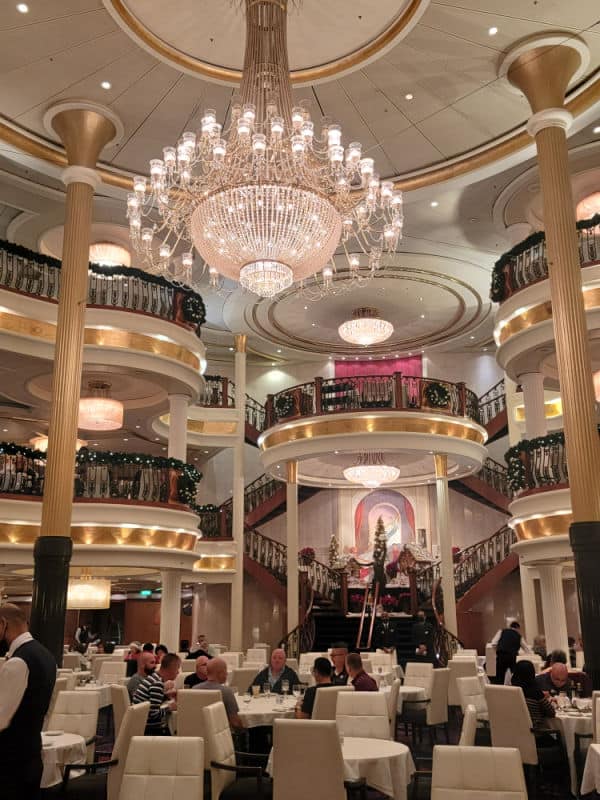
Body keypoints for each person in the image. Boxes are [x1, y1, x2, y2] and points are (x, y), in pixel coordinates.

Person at [0, 604, 56, 800]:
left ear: (2, 624)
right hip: (31, 752)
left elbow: (1, 719)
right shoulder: (47, 656)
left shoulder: (18, 662)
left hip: (9, 762)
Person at [133, 652, 181, 735]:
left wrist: (165, 696)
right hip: (148, 729)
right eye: (177, 669)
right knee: (177, 731)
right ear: (172, 668)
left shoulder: (153, 677)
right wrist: (170, 708)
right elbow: (154, 714)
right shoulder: (157, 684)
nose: (178, 673)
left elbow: (150, 702)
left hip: (139, 723)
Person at [194, 657, 243, 730]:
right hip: (220, 736)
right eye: (225, 671)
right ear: (220, 673)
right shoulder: (226, 692)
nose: (226, 674)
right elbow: (235, 722)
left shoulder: (194, 689)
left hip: (198, 734)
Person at [511, 660, 555, 732]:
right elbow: (551, 713)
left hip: (513, 733)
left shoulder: (510, 691)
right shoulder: (535, 693)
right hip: (536, 734)